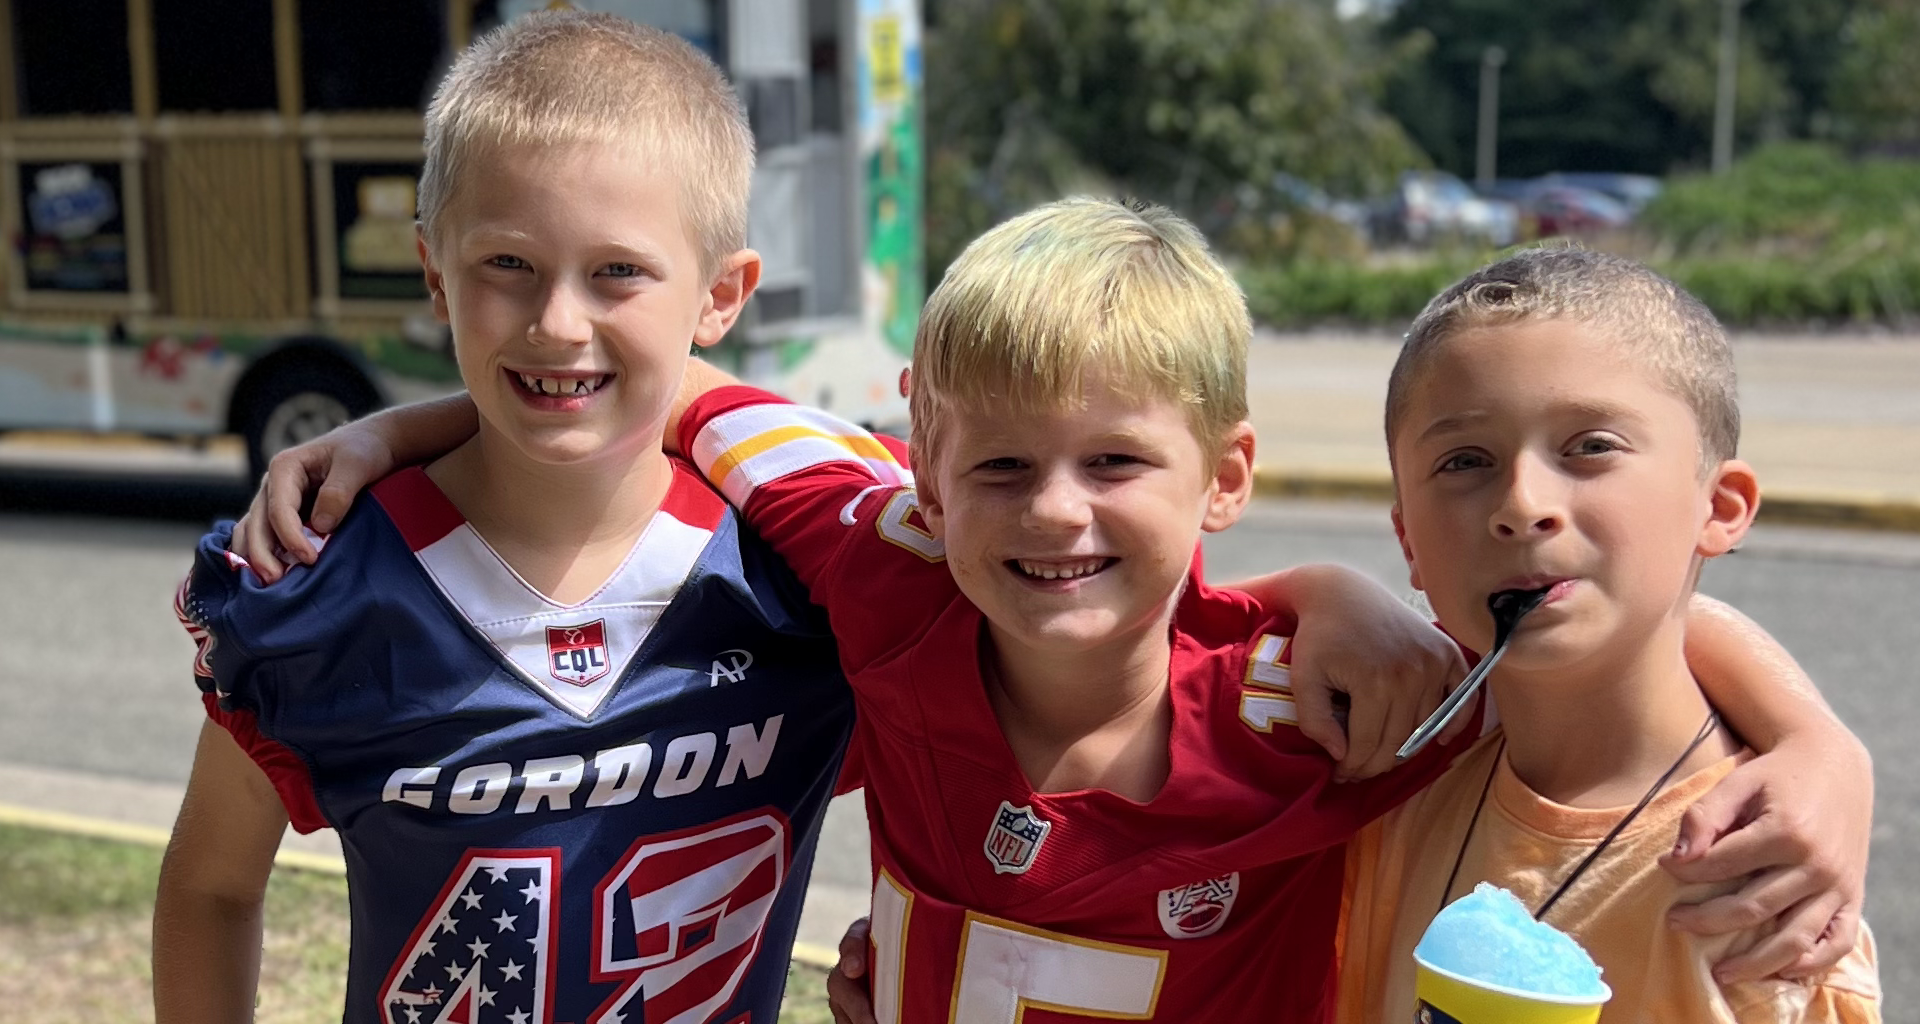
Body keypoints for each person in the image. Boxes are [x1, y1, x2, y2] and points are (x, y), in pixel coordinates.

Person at [244, 201, 1873, 1023]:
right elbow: (667, 380)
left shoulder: (1323, 699)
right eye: (1004, 463)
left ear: (1223, 474)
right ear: (923, 471)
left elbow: (1581, 625)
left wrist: (1818, 742)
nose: (1060, 508)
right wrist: (392, 428)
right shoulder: (883, 554)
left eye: (1117, 459)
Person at [153, 15, 849, 1023]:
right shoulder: (319, 583)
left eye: (619, 271)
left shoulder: (806, 571)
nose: (558, 320)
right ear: (435, 270)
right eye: (507, 266)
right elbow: (213, 884)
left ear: (723, 294)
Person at [1333, 246, 1880, 1020]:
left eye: (1591, 447)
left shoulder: (1766, 880)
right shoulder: (1387, 773)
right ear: (1408, 545)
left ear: (1719, 508)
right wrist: (1323, 591)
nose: (1522, 503)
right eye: (1464, 460)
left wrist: (1823, 746)